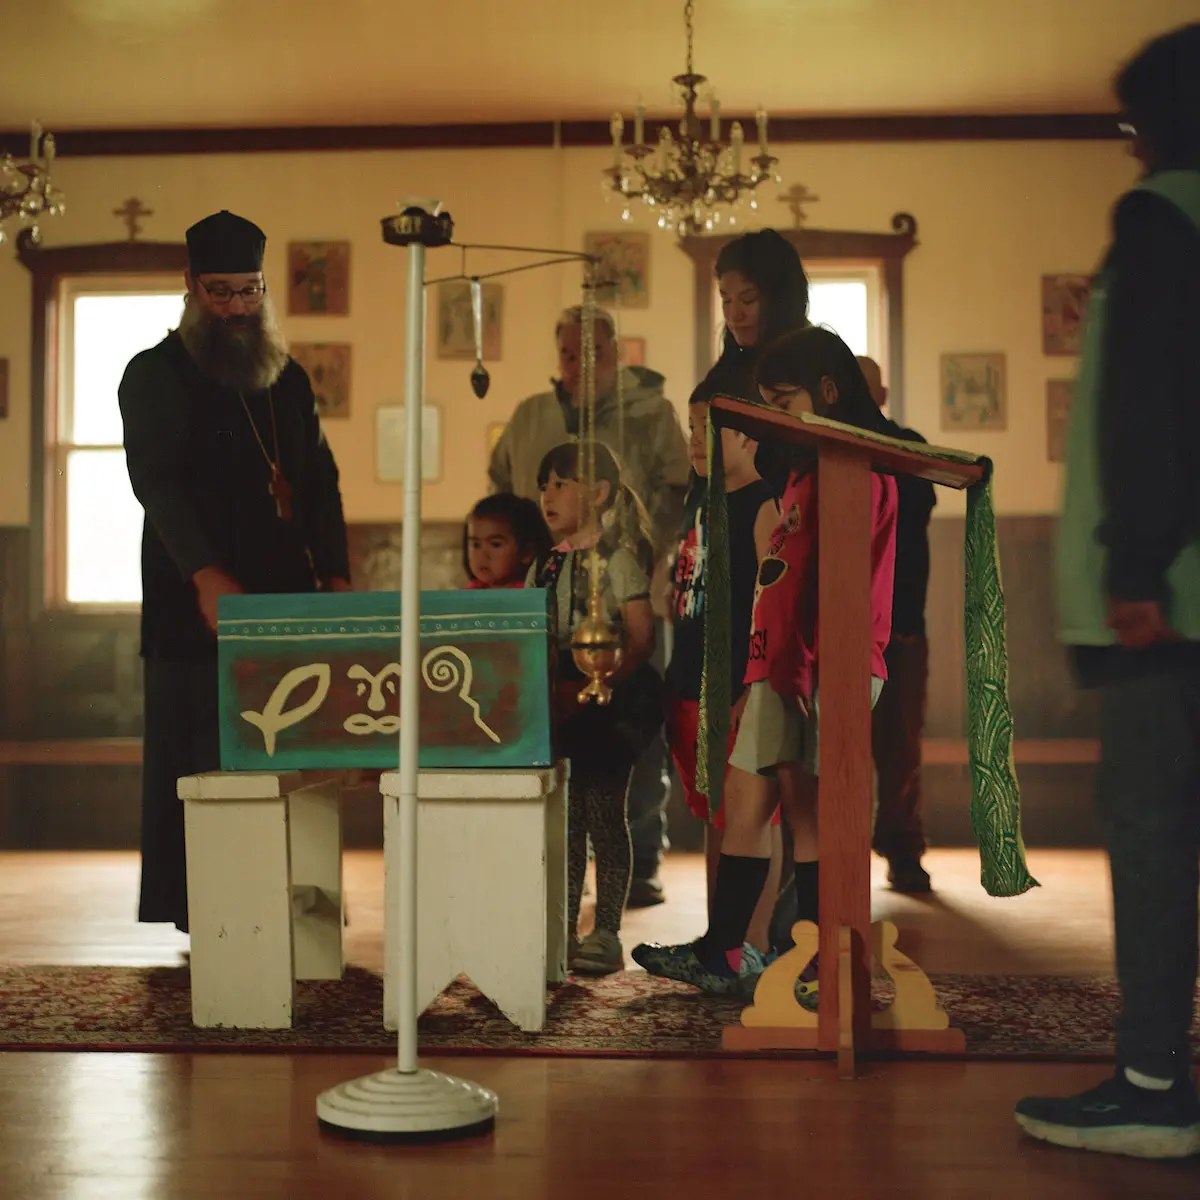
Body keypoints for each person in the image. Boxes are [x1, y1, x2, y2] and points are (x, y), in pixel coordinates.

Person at [1015, 23, 1200, 1160]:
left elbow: (1149, 407)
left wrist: (1133, 570)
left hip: (1169, 600)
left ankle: (1152, 1085)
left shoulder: (1162, 218)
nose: (1129, 151)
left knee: (1153, 830)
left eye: (1134, 125)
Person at [636, 327, 898, 997]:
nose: (774, 418)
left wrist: (804, 669)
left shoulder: (856, 469)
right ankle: (724, 951)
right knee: (746, 798)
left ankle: (819, 961)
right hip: (775, 665)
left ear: (828, 392)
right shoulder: (806, 471)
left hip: (815, 671)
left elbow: (834, 585)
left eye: (783, 401)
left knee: (806, 811)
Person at [118, 209, 350, 934]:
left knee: (289, 757)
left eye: (248, 292)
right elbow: (158, 484)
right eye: (220, 293)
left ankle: (290, 907)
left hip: (285, 599)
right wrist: (207, 574)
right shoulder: (155, 375)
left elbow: (318, 478)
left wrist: (337, 575)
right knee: (205, 757)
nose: (236, 309)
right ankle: (208, 917)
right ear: (189, 287)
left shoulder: (286, 379)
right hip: (196, 603)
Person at [489, 306, 690, 906]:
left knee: (629, 734)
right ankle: (553, 867)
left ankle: (641, 858)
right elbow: (502, 488)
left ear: (616, 354)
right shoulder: (530, 417)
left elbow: (681, 490)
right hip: (549, 593)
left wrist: (652, 556)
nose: (580, 365)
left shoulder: (651, 413)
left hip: (635, 590)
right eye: (569, 354)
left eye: (593, 353)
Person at [663, 366, 782, 957]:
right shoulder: (698, 500)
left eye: (709, 428)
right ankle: (720, 939)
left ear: (750, 437)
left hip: (737, 685)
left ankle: (753, 941)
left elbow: (772, 602)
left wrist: (752, 686)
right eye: (691, 427)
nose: (694, 440)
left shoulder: (762, 505)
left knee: (754, 817)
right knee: (716, 817)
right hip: (691, 684)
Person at [532, 440, 662, 974]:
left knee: (604, 815)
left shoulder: (617, 559)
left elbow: (640, 639)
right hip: (557, 702)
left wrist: (595, 681)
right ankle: (560, 929)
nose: (548, 495)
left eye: (560, 483)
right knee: (565, 821)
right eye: (543, 486)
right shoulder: (543, 567)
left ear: (599, 492)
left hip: (611, 701)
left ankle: (605, 930)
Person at [857, 355, 937, 893]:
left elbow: (917, 505)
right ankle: (835, 856)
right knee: (841, 747)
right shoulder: (827, 450)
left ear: (882, 392)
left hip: (902, 625)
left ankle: (902, 850)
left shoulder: (909, 446)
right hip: (842, 629)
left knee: (901, 747)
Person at [462, 492, 552, 589]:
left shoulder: (531, 594)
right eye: (476, 545)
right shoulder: (469, 593)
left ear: (527, 552)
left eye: (495, 545)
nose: (482, 555)